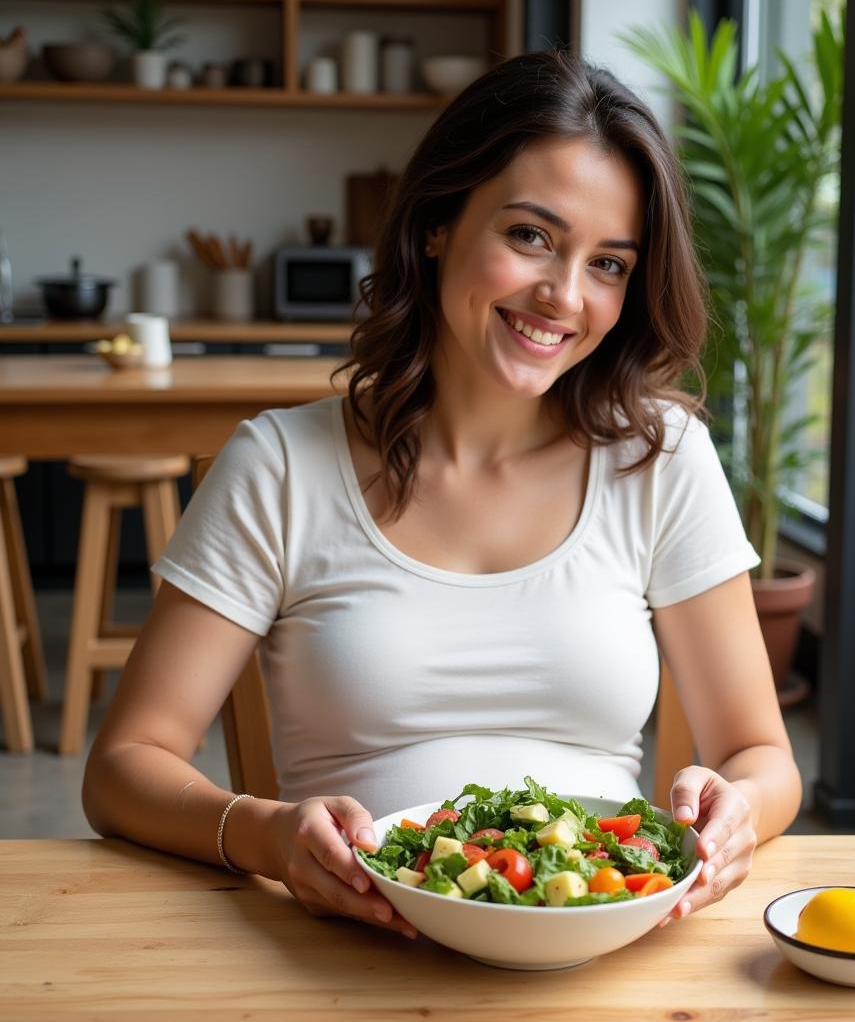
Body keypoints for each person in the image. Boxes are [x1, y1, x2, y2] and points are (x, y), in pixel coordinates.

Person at [82, 50, 802, 942]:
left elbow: (761, 757)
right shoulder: (279, 466)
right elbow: (122, 768)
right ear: (436, 225)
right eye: (531, 236)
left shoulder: (660, 458)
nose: (564, 296)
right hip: (355, 957)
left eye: (610, 263)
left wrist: (738, 817)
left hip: (608, 953)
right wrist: (265, 834)